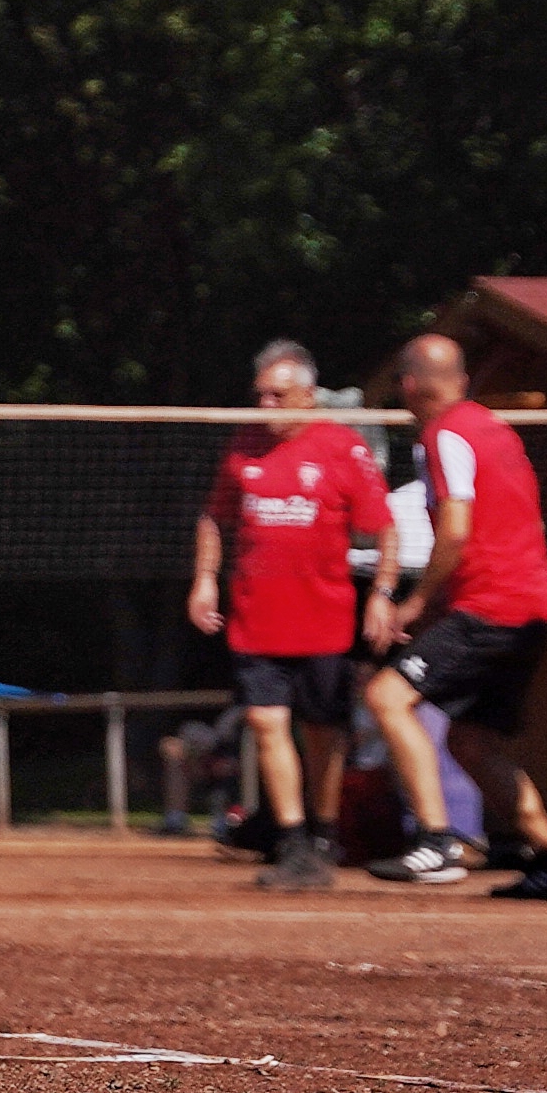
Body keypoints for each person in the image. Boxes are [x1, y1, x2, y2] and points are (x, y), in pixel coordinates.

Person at [360, 326, 547, 900]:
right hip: (534, 606)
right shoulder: (496, 430)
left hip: (494, 605)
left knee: (386, 696)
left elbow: (456, 532)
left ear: (408, 386)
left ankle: (435, 841)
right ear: (459, 382)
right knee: (471, 741)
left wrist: (414, 602)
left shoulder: (442, 437)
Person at [188, 339, 387, 895]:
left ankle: (324, 835)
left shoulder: (343, 448)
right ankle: (294, 841)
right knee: (266, 724)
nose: (267, 407)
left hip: (323, 620)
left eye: (278, 396)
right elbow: (214, 517)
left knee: (324, 734)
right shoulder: (242, 449)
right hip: (257, 620)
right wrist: (205, 578)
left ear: (308, 395)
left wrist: (384, 592)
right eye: (261, 397)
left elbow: (383, 526)